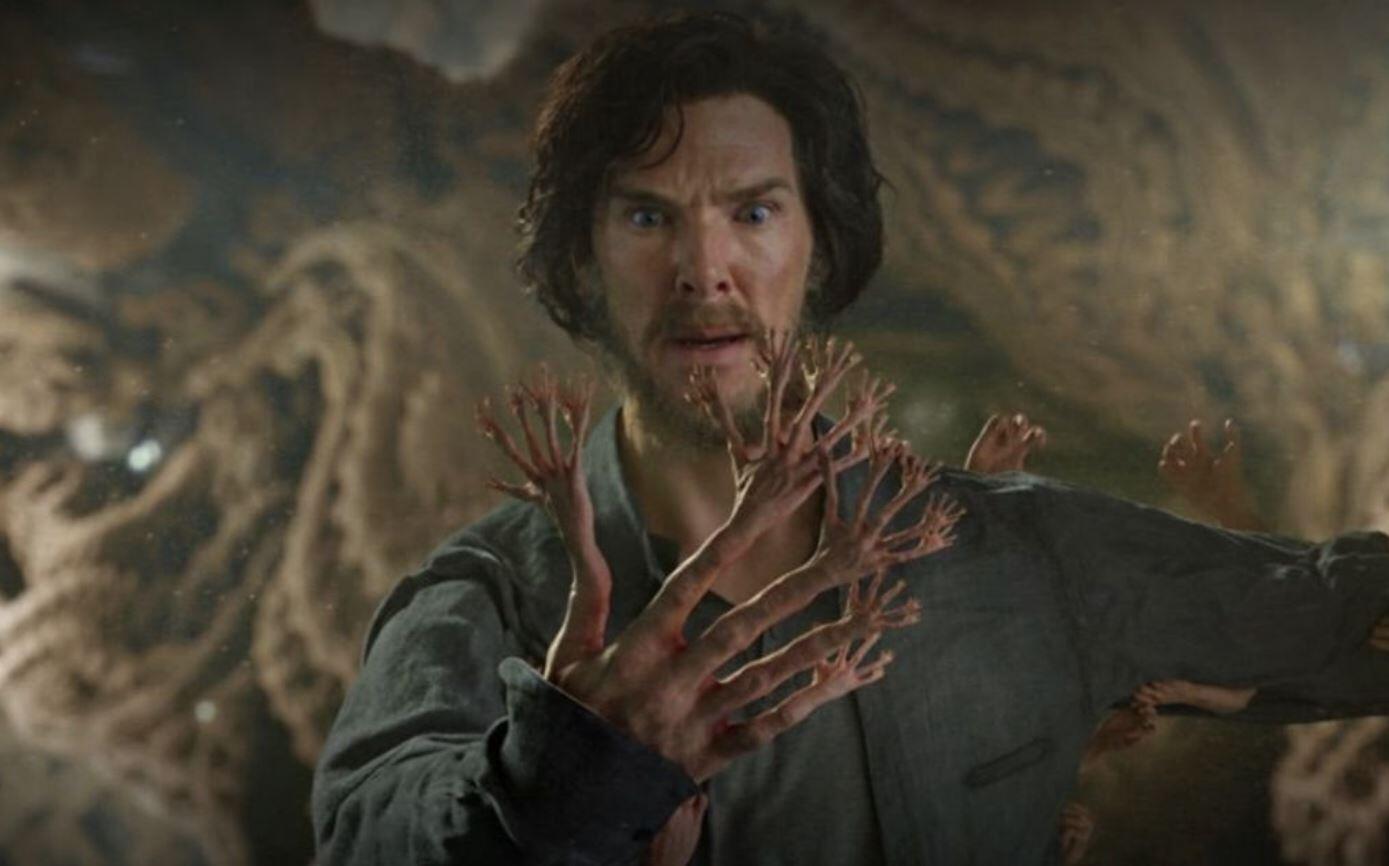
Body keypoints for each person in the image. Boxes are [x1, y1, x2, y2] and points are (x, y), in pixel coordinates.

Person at [311, 12, 1389, 865]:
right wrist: (561, 782)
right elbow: (369, 829)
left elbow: (1327, 618)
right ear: (582, 261)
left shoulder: (1033, 560)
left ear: (818, 246)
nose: (703, 269)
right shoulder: (488, 600)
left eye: (753, 212)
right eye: (647, 216)